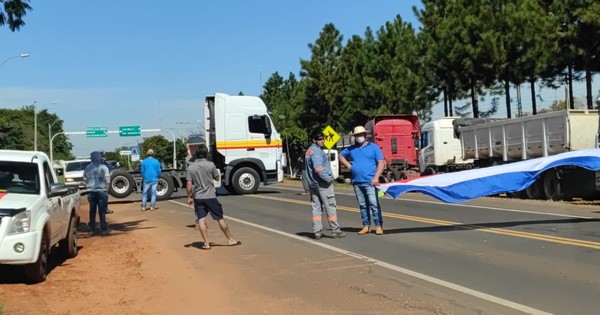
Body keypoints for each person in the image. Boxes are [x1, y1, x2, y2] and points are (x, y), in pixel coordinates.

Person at [186, 144, 241, 250]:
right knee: (219, 218)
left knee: (201, 219)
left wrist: (189, 197)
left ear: (196, 154)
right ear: (206, 154)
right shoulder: (210, 165)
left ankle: (206, 244)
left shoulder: (191, 166)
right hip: (210, 196)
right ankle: (230, 239)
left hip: (198, 197)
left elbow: (189, 184)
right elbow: (216, 177)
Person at [339, 126, 386, 235]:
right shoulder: (352, 149)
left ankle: (378, 225)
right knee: (363, 205)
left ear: (365, 135)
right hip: (357, 181)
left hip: (370, 182)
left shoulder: (374, 147)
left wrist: (376, 177)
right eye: (356, 136)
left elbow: (381, 163)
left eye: (360, 135)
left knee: (374, 204)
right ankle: (366, 225)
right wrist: (350, 167)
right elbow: (340, 156)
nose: (359, 137)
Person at [304, 130, 345, 240]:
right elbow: (319, 169)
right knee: (330, 207)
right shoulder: (316, 152)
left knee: (316, 209)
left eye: (323, 138)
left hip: (313, 185)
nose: (322, 141)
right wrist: (328, 179)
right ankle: (336, 231)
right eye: (320, 139)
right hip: (322, 184)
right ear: (314, 140)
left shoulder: (309, 151)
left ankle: (317, 232)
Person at [83, 151, 111, 236]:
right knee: (102, 211)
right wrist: (107, 191)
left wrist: (88, 186)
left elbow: (84, 180)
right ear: (99, 157)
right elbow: (108, 180)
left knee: (92, 211)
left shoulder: (87, 168)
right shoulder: (103, 167)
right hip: (101, 191)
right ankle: (103, 229)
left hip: (91, 192)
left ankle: (92, 229)